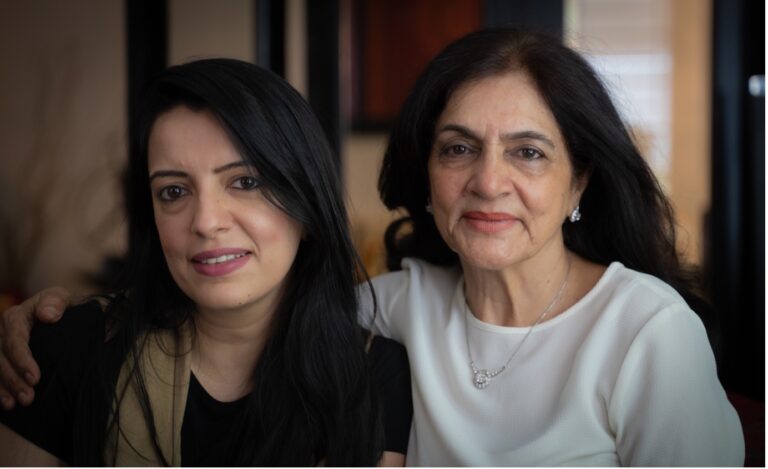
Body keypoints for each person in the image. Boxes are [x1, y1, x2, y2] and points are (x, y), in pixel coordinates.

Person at [0, 28, 743, 466]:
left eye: (527, 153)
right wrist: (49, 316)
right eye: (458, 149)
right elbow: (243, 300)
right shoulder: (388, 311)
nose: (488, 182)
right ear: (427, 173)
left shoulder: (646, 330)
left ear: (580, 178)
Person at [0, 58, 411, 466]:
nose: (206, 221)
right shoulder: (67, 349)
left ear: (306, 207)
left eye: (245, 182)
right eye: (174, 191)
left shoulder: (374, 375)